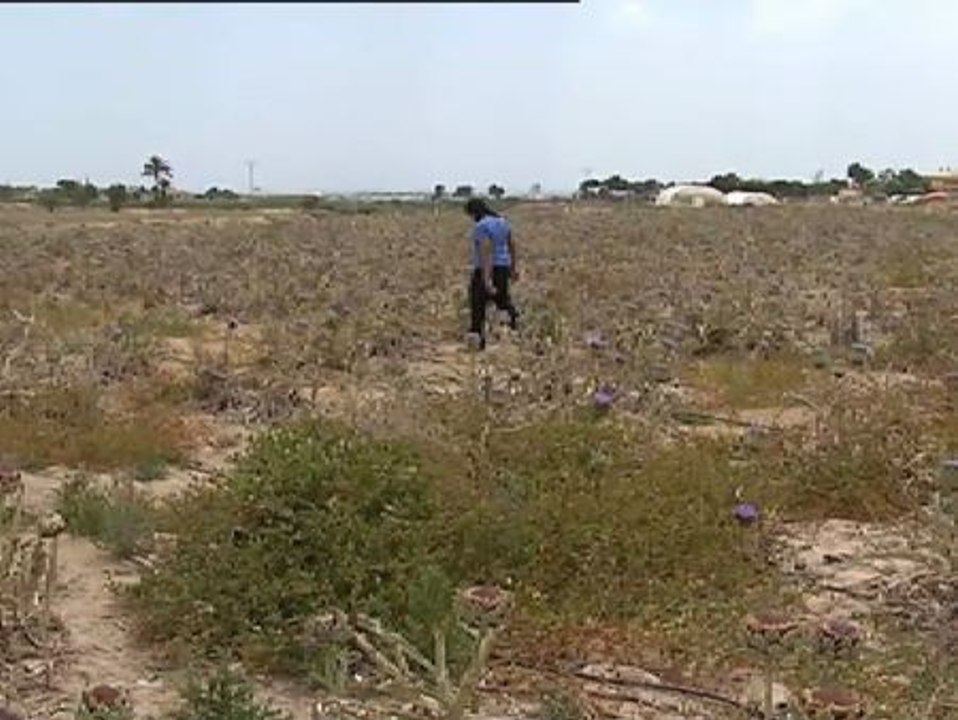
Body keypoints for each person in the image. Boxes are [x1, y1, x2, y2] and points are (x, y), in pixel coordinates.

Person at [464, 198, 519, 350]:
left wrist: (486, 278)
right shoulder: (502, 222)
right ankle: (516, 326)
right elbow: (512, 245)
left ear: (474, 212)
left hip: (487, 268)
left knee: (477, 303)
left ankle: (477, 337)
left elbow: (486, 251)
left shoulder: (481, 226)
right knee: (502, 300)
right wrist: (513, 268)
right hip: (503, 266)